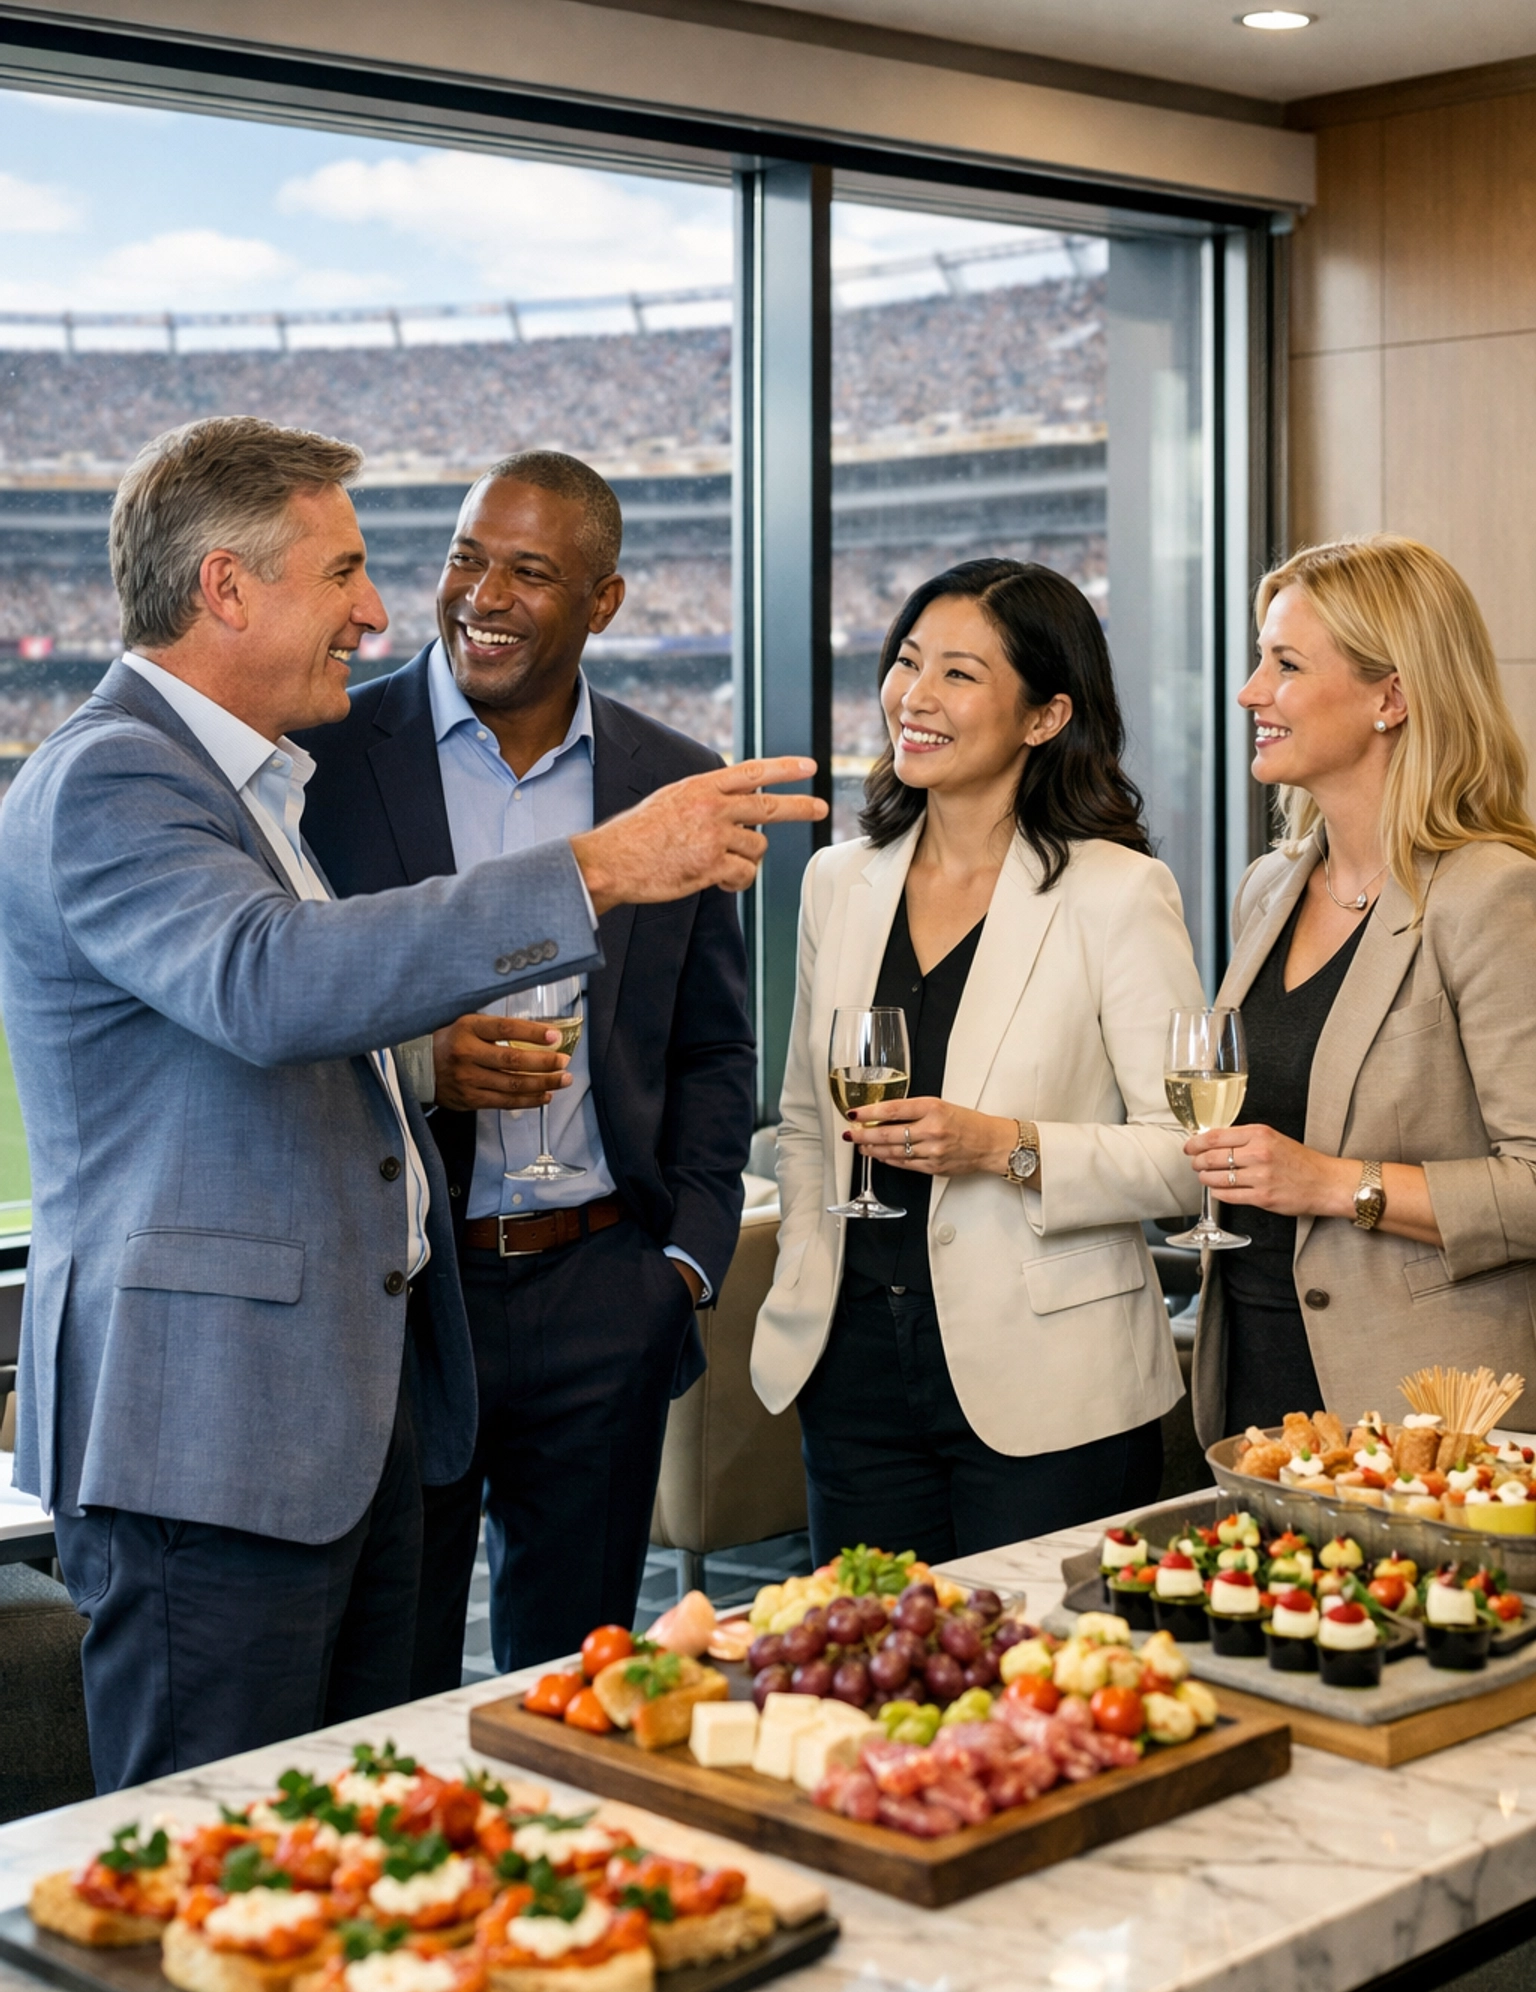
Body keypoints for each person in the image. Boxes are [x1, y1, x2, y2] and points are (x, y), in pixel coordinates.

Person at [0, 415, 821, 1790]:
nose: (382, 613)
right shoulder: (114, 775)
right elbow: (266, 983)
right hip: (216, 1434)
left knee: (352, 1819)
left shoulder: (252, 780)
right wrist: (596, 872)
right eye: (346, 574)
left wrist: (432, 1067)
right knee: (226, 1844)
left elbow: (272, 1039)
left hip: (339, 1419)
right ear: (226, 587)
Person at [296, 451, 754, 1681]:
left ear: (603, 602)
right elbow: (286, 1004)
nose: (479, 594)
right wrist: (425, 1062)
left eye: (529, 571)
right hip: (404, 1302)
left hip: (606, 1291)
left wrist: (684, 1268)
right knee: (388, 1679)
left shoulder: (672, 783)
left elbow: (715, 1048)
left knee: (579, 1685)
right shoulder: (327, 760)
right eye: (463, 556)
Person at [750, 557, 1203, 1567]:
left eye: (959, 674)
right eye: (908, 661)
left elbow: (1187, 1159)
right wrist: (806, 1279)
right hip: (853, 1368)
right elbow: (801, 1122)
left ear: (1045, 716)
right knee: (872, 1685)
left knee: (1040, 1701)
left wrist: (1008, 1146)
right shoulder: (839, 881)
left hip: (1053, 1388)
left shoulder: (1119, 894)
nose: (915, 696)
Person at [1188, 535, 1536, 1441]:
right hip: (1256, 1382)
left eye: (1286, 664)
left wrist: (1337, 1185)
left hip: (1425, 1414)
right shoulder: (1269, 887)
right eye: (1260, 660)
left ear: (1392, 696)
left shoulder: (1492, 891)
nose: (1250, 692)